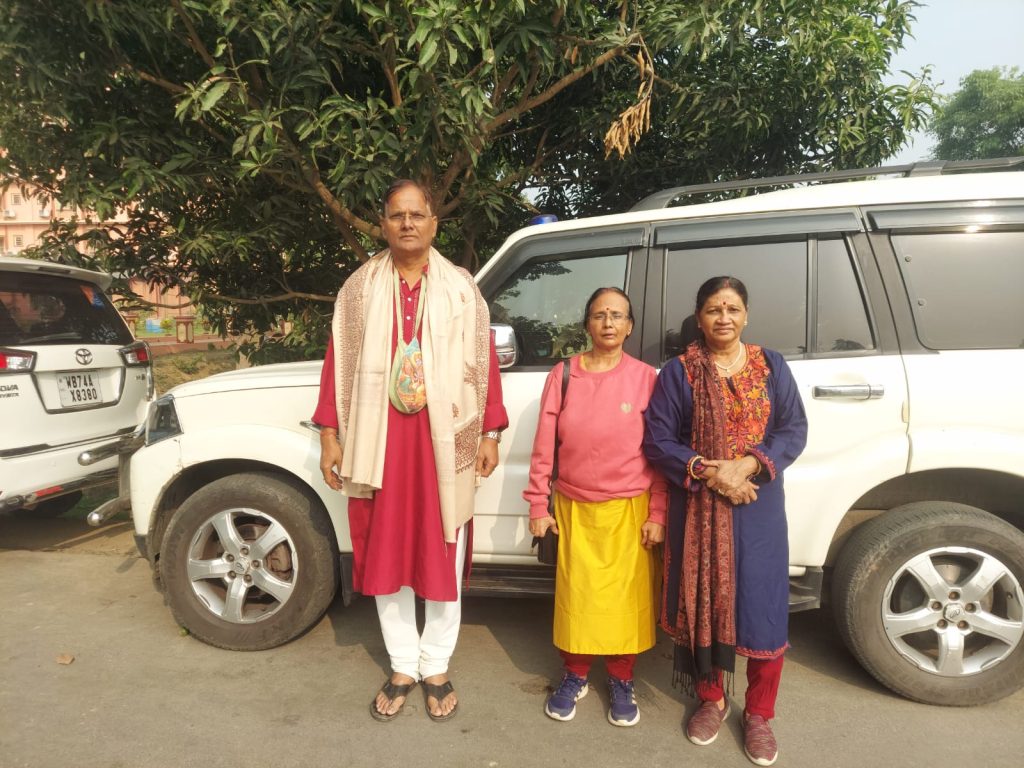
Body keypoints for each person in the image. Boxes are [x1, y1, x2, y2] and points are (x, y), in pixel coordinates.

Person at [312, 179, 508, 723]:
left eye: (416, 214)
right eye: (396, 215)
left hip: (443, 446)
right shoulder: (358, 289)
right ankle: (403, 663)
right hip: (378, 443)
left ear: (433, 224)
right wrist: (329, 432)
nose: (406, 223)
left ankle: (436, 663)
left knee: (442, 545)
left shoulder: (463, 289)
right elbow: (337, 365)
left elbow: (484, 361)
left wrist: (490, 432)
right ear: (383, 224)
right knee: (386, 548)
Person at [643, 276, 807, 766]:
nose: (723, 318)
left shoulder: (771, 365)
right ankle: (711, 699)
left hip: (758, 506)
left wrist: (749, 464)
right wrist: (711, 472)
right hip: (699, 506)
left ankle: (759, 713)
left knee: (761, 603)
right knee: (706, 601)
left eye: (732, 308)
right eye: (714, 309)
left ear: (746, 315)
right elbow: (658, 438)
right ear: (700, 318)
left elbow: (792, 428)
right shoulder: (680, 372)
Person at [524, 287, 666, 727]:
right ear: (587, 323)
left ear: (630, 326)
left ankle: (622, 679)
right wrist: (537, 505)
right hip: (573, 507)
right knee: (577, 599)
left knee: (626, 602)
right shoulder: (564, 374)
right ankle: (575, 674)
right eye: (600, 314)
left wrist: (658, 513)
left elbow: (660, 453)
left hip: (629, 510)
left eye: (617, 315)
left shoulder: (647, 378)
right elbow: (544, 446)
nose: (608, 323)